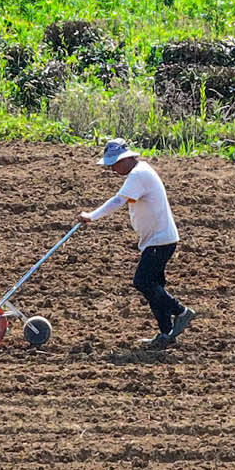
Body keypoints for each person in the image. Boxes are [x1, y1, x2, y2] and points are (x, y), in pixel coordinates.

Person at [81, 138, 195, 348]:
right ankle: (166, 333)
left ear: (126, 159)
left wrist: (92, 216)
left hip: (160, 241)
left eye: (114, 164)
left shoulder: (138, 174)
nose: (113, 169)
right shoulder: (140, 171)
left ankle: (181, 312)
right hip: (157, 240)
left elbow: (118, 200)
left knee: (142, 282)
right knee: (155, 288)